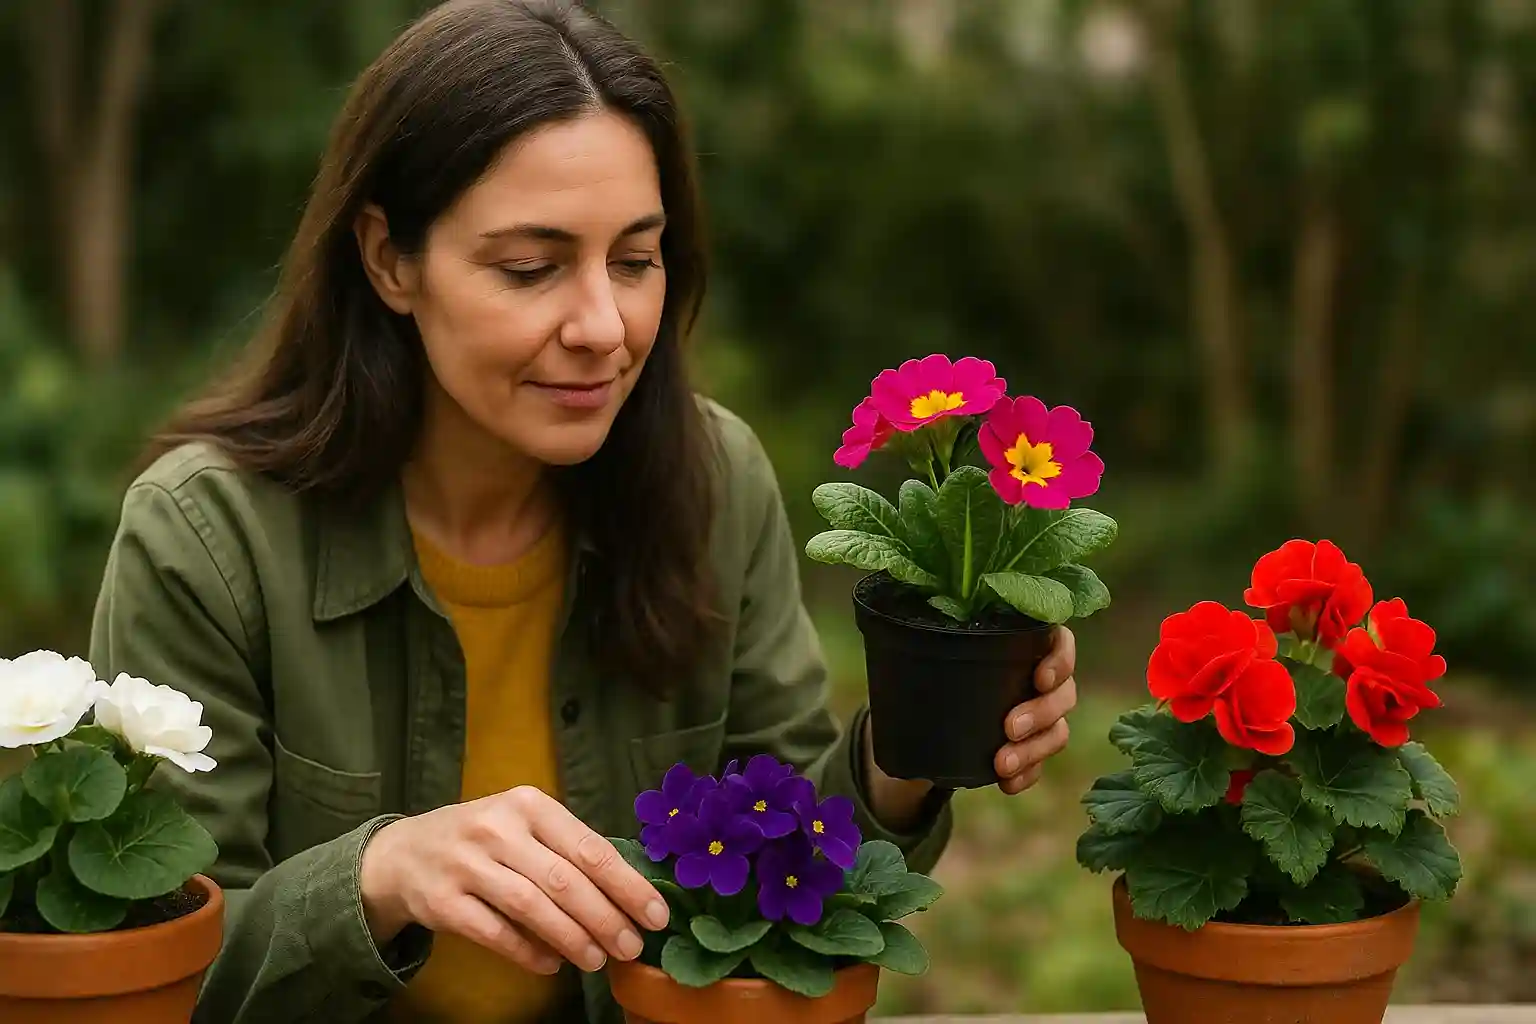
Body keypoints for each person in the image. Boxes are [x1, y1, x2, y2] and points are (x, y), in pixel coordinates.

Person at [87, 1, 1080, 1021]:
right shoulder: (206, 538)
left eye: (635, 260)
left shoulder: (713, 481)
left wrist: (910, 749)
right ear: (389, 258)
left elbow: (793, 863)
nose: (604, 326)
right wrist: (380, 875)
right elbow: (156, 972)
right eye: (531, 268)